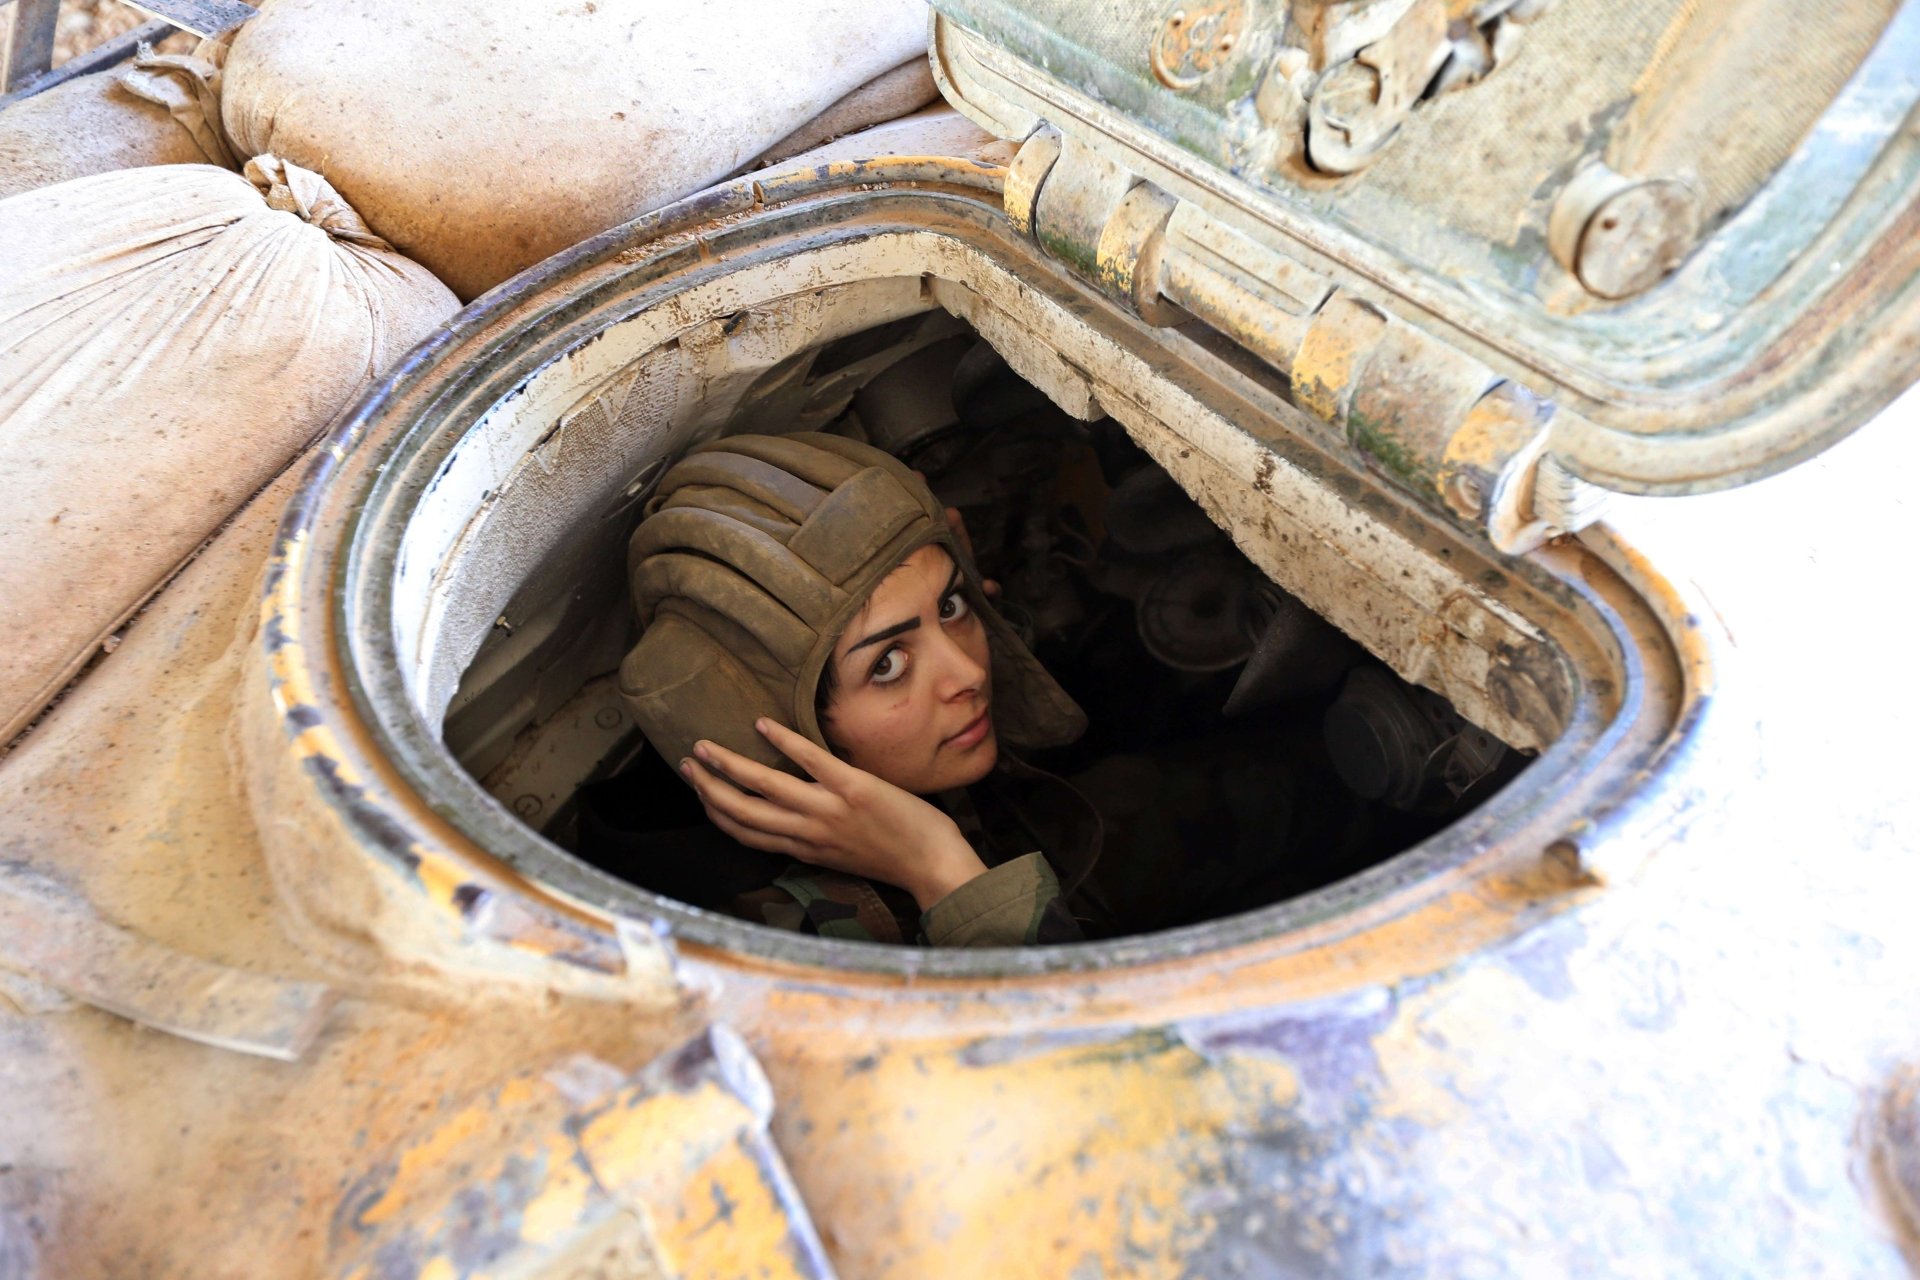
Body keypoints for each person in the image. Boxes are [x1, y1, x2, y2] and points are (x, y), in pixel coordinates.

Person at [615, 431, 1100, 947]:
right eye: (888, 663)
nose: (970, 675)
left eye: (951, 607)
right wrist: (937, 868)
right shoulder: (789, 950)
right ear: (788, 731)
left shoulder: (920, 741)